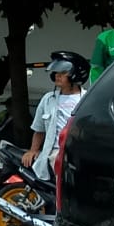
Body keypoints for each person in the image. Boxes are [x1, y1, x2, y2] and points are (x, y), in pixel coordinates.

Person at [24, 50, 89, 180]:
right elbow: (39, 130)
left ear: (75, 75)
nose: (57, 76)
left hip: (79, 153)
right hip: (55, 153)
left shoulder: (88, 99)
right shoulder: (48, 99)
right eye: (56, 73)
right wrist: (33, 150)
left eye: (63, 73)